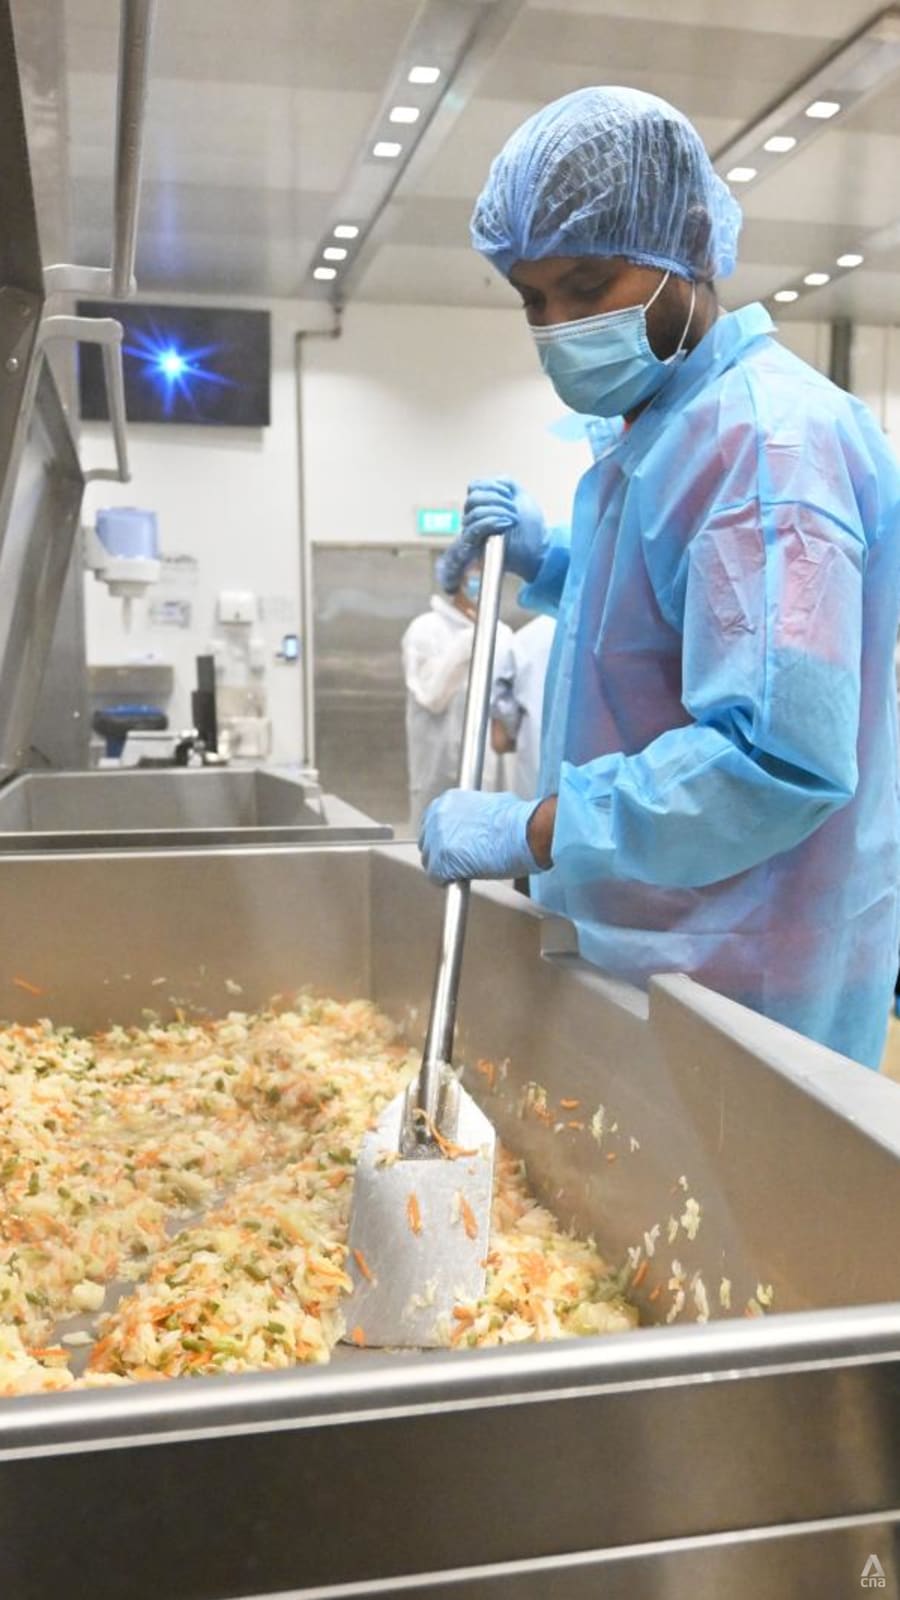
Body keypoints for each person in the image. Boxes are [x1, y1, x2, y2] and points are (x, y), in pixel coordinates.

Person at [419, 85, 900, 1070]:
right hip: (671, 943)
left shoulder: (767, 448)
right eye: (534, 301)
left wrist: (539, 827)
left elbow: (776, 760)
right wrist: (557, 561)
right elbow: (664, 633)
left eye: (587, 287)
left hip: (748, 969)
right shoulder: (671, 424)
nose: (556, 328)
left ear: (688, 239)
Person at [402, 568, 512, 830]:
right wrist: (464, 649)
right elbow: (431, 696)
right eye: (474, 573)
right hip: (436, 767)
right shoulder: (425, 629)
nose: (480, 581)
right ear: (456, 578)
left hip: (489, 768)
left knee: (484, 839)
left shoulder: (503, 633)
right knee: (434, 841)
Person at [490, 614, 556, 802]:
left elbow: (500, 741)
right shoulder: (615, 629)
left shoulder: (524, 640)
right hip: (602, 804)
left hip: (536, 800)